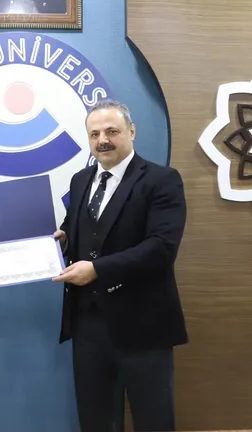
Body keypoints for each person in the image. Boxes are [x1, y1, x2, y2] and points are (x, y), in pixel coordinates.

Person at [53, 99, 188, 432]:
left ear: (132, 131)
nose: (103, 140)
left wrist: (97, 270)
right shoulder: (80, 180)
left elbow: (161, 248)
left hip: (144, 325)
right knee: (96, 420)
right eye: (94, 134)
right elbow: (78, 230)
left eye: (111, 131)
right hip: (87, 324)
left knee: (154, 421)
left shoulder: (162, 180)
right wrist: (63, 240)